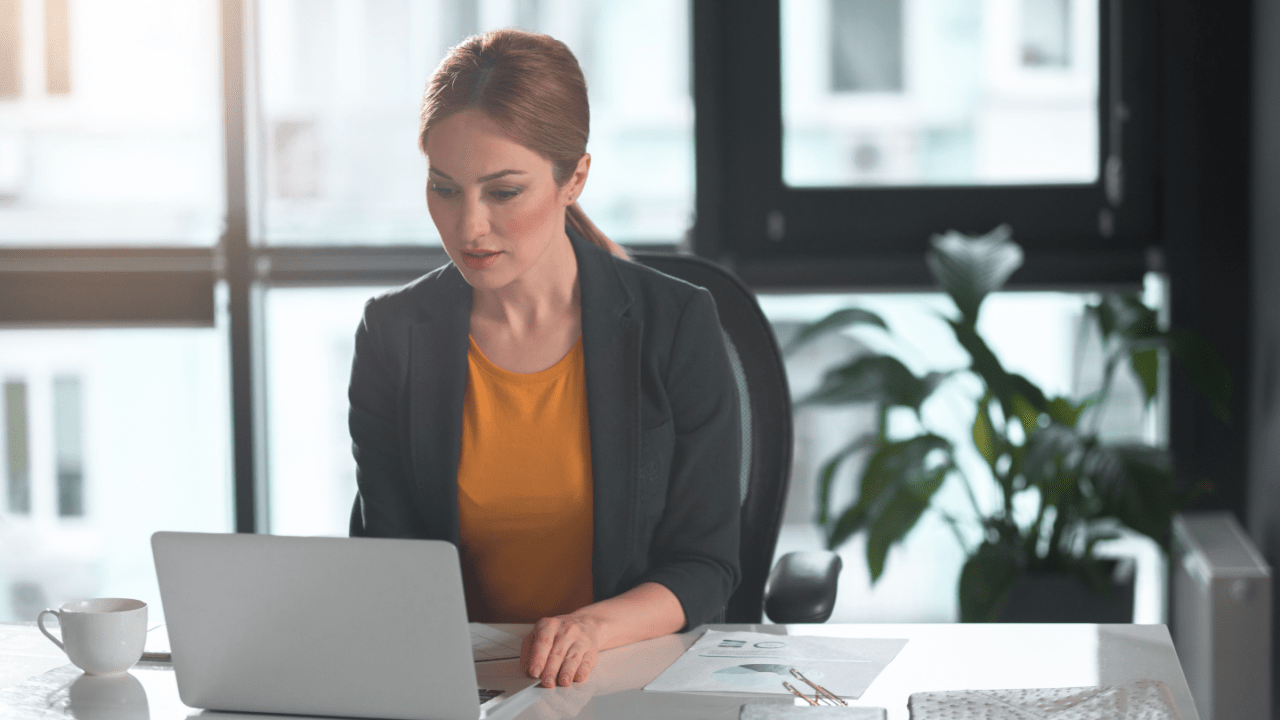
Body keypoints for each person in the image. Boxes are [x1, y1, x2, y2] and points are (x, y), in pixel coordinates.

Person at [347, 28, 740, 690]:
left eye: (503, 192)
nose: (468, 226)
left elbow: (705, 564)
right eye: (444, 187)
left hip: (626, 677)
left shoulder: (676, 323)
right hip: (461, 687)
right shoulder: (393, 334)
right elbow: (392, 561)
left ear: (574, 178)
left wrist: (592, 628)